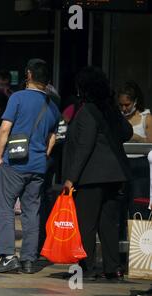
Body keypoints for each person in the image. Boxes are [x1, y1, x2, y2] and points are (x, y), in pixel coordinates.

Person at [62, 67, 133, 281]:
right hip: (115, 175)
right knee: (109, 224)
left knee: (86, 224)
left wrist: (70, 179)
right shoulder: (109, 110)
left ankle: (85, 267)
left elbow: (84, 146)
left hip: (91, 177)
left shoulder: (87, 111)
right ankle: (113, 268)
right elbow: (127, 132)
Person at [0, 59, 60, 274]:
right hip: (38, 166)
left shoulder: (18, 98)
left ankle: (8, 257)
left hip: (14, 163)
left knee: (5, 208)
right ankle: (29, 259)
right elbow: (52, 138)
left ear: (29, 75)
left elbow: (5, 129)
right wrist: (42, 155)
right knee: (32, 212)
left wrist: (0, 156)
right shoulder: (52, 105)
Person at [119, 82, 152, 216]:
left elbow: (150, 142)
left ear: (135, 102)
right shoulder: (119, 118)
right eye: (121, 105)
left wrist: (136, 137)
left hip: (140, 164)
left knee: (138, 202)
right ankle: (119, 234)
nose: (124, 108)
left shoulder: (146, 118)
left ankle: (137, 234)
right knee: (120, 201)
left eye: (127, 105)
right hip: (122, 163)